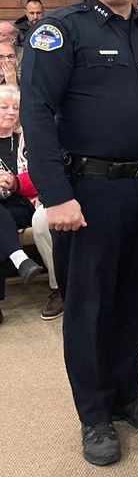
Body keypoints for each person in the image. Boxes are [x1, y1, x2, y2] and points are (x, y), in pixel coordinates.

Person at [20, 0, 138, 467]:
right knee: (88, 308)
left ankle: (126, 393)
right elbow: (37, 116)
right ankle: (94, 415)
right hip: (86, 194)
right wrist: (55, 195)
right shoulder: (58, 32)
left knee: (135, 300)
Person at [0, 85, 43, 325]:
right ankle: (20, 259)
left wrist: (13, 182)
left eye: (15, 108)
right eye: (4, 107)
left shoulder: (27, 139)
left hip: (25, 203)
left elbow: (40, 176)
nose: (11, 112)